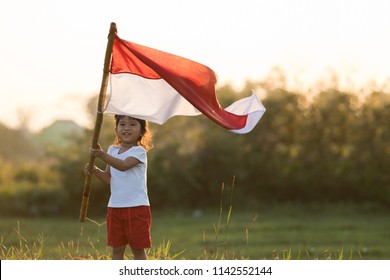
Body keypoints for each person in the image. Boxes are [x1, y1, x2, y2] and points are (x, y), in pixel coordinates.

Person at [84, 115, 153, 260]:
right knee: (117, 250)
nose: (126, 128)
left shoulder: (139, 152)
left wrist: (101, 154)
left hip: (136, 208)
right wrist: (95, 170)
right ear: (116, 129)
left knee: (138, 251)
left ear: (142, 131)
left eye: (133, 124)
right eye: (122, 124)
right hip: (115, 208)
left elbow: (123, 166)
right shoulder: (112, 150)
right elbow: (110, 179)